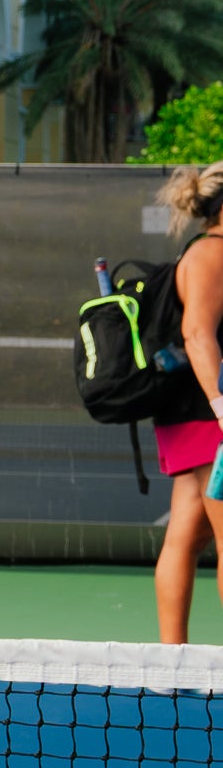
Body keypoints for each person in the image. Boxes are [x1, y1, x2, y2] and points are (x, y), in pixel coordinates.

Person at [150, 161, 223, 642]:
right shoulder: (213, 254)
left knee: (188, 532)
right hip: (206, 415)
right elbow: (198, 334)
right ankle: (171, 659)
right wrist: (221, 404)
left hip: (193, 414)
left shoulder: (204, 251)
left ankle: (170, 662)